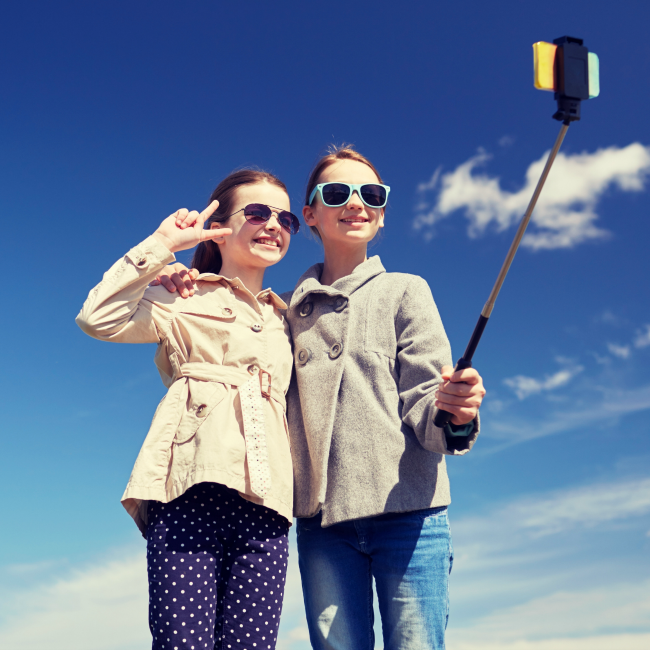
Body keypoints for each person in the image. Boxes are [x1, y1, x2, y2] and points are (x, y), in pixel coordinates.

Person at [159, 146, 486, 650]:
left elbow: (429, 404)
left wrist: (456, 413)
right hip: (322, 528)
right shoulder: (281, 313)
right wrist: (184, 280)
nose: (356, 203)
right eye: (337, 193)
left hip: (410, 516)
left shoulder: (406, 291)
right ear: (309, 214)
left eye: (371, 194)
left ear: (380, 214)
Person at [76, 169, 301, 650]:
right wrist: (162, 245)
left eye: (285, 217)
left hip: (268, 506)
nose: (273, 224)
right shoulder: (180, 292)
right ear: (219, 224)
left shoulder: (290, 321)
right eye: (257, 212)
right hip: (189, 493)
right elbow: (97, 317)